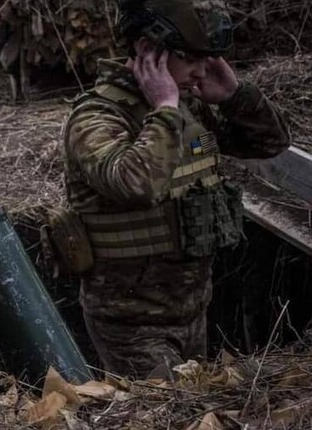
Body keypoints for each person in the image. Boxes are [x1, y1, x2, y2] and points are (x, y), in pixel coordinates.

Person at [60, 0, 290, 378]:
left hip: (194, 309)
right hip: (131, 325)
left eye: (208, 58)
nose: (202, 70)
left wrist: (235, 96)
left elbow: (271, 143)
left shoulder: (189, 109)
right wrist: (165, 106)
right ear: (147, 50)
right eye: (190, 57)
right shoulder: (97, 117)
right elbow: (135, 184)